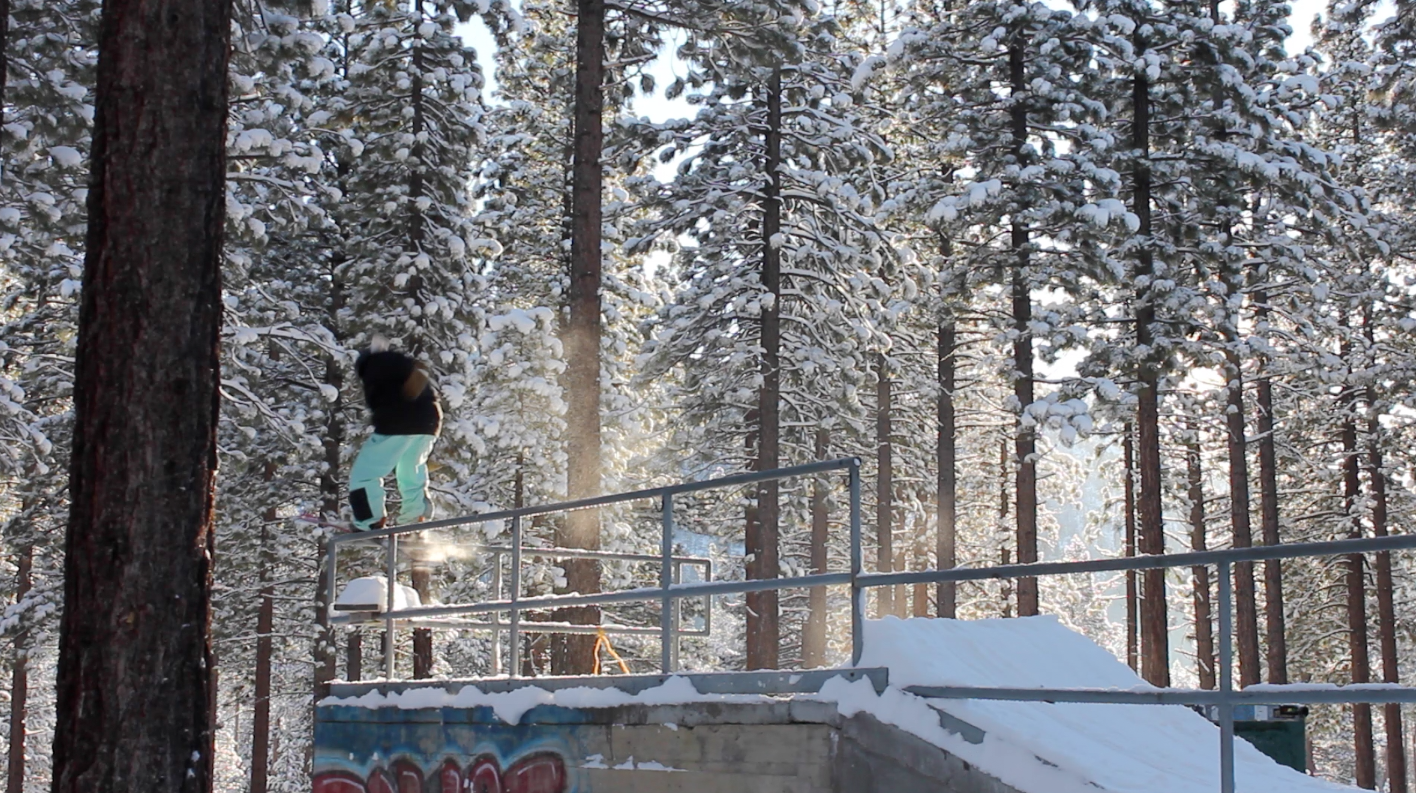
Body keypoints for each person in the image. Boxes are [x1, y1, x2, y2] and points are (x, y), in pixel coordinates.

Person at [348, 337, 443, 531]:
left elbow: (379, 401)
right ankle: (413, 519)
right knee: (410, 470)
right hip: (429, 422)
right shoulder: (402, 365)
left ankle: (370, 521)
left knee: (364, 475)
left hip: (398, 422)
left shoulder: (373, 367)